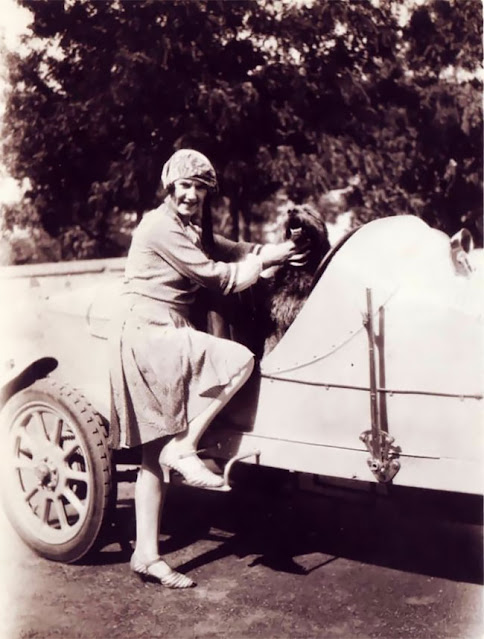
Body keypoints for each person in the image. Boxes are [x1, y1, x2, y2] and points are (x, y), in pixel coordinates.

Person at [109, 149, 306, 589]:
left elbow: (230, 249)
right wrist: (262, 264)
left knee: (150, 457)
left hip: (161, 328)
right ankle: (186, 447)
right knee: (238, 359)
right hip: (148, 330)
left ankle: (146, 554)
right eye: (186, 186)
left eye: (200, 189)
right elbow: (217, 276)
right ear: (170, 187)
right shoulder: (160, 226)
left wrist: (278, 252)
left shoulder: (189, 227)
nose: (192, 195)